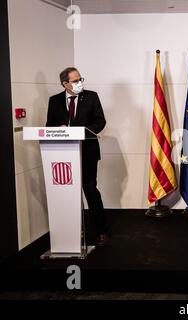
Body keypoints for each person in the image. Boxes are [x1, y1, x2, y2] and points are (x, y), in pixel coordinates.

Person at [46, 67, 109, 246]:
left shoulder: (91, 96)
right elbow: (49, 124)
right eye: (75, 81)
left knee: (90, 190)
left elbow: (100, 120)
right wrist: (57, 130)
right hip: (62, 155)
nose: (79, 82)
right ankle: (71, 233)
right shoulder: (54, 101)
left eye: (80, 78)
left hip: (87, 152)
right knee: (67, 193)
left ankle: (101, 231)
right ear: (65, 84)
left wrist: (83, 131)